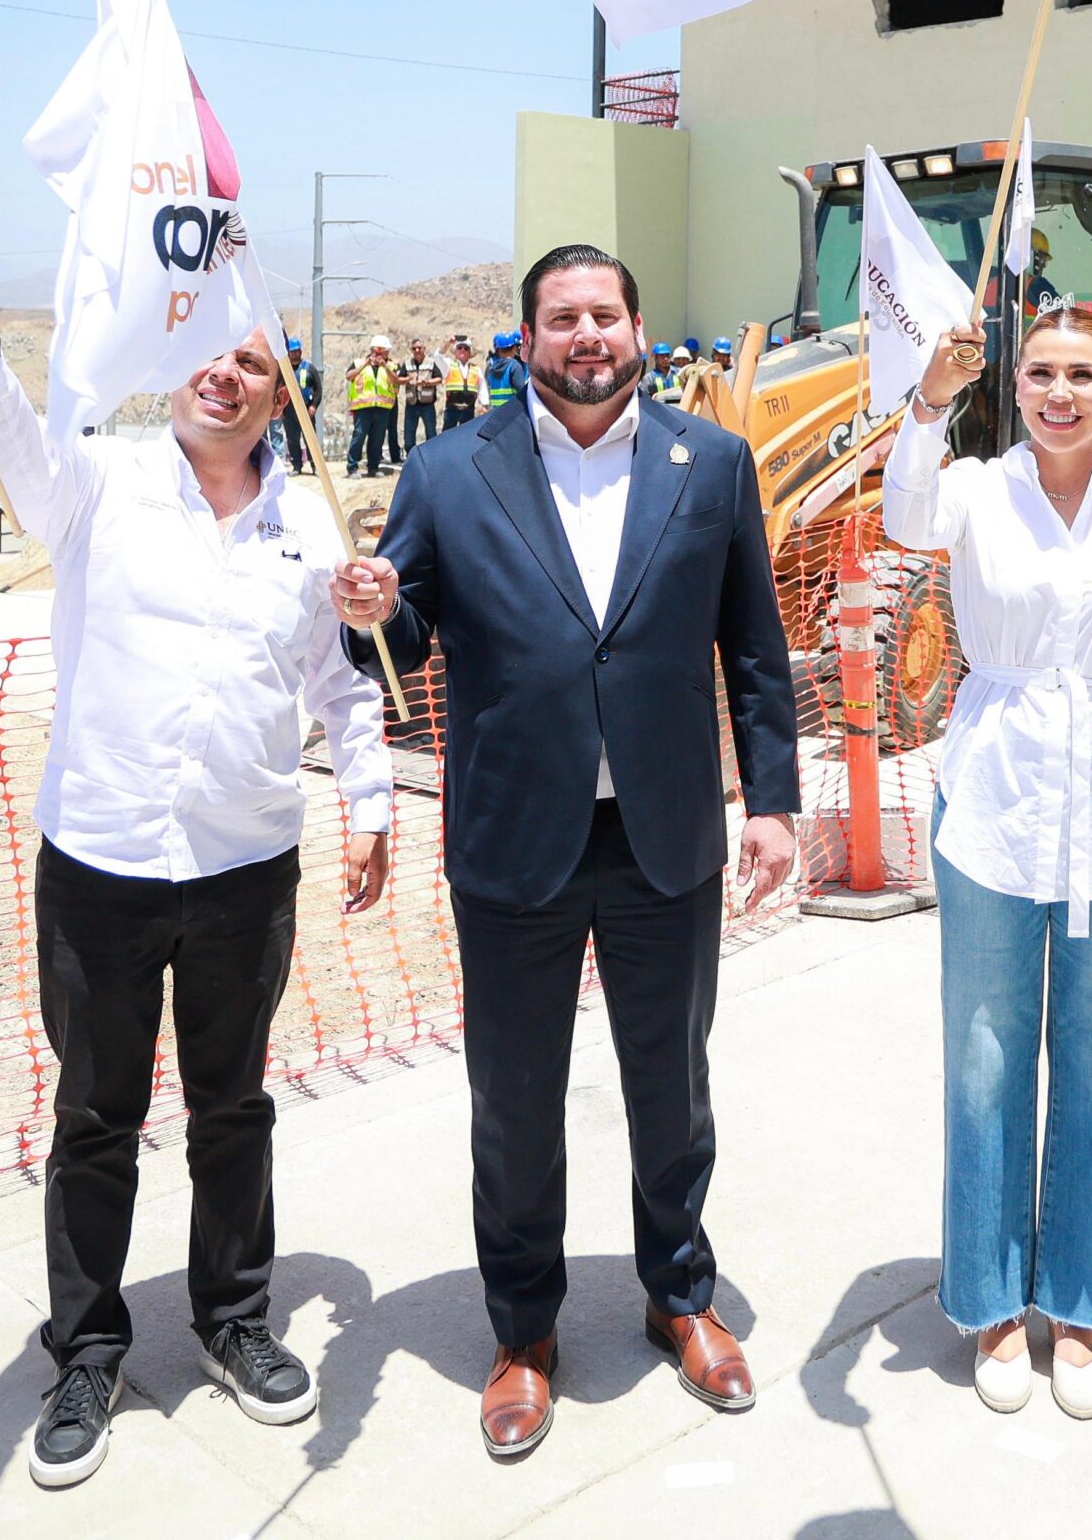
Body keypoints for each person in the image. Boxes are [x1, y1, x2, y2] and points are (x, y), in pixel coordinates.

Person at [0, 274, 392, 1491]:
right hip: (102, 864)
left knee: (233, 1107)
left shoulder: (310, 525)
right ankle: (89, 1349)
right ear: (178, 368)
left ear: (284, 393)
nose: (226, 374)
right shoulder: (100, 480)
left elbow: (341, 681)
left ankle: (233, 1318)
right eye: (208, 356)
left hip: (242, 865)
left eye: (254, 363)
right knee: (97, 1115)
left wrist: (372, 800)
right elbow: (15, 450)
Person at [331, 243, 799, 1459]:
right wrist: (378, 612)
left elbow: (753, 645)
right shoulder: (448, 467)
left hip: (664, 838)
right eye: (561, 318)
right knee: (516, 1100)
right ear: (525, 340)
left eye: (603, 313)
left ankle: (679, 1297)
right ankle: (524, 1331)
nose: (585, 334)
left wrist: (772, 798)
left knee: (671, 1086)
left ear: (637, 328)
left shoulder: (715, 465)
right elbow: (412, 630)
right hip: (514, 840)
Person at [883, 306, 1092, 1423]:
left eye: (1082, 373)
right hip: (993, 801)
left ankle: (1081, 1301)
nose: (1060, 392)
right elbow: (903, 511)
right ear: (1013, 383)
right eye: (1040, 373)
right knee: (984, 1055)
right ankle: (985, 1297)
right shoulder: (975, 487)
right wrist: (929, 399)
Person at [345, 337, 398, 478]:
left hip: (382, 407)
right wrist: (365, 365)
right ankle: (352, 467)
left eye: (385, 352)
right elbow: (349, 376)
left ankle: (373, 467)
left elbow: (396, 381)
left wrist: (384, 366)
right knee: (359, 436)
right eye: (379, 351)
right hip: (363, 407)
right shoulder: (358, 363)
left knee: (377, 439)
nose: (382, 354)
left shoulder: (391, 366)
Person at [278, 339, 324, 474]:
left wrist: (314, 406)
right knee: (292, 439)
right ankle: (297, 466)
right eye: (292, 352)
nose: (295, 354)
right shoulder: (284, 371)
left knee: (310, 439)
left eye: (297, 351)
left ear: (301, 352)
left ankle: (316, 466)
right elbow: (278, 390)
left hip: (306, 410)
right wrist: (280, 408)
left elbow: (318, 389)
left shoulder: (309, 368)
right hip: (289, 411)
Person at [399, 339, 445, 450]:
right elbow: (399, 379)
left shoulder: (431, 363)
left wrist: (426, 382)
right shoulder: (407, 364)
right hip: (411, 404)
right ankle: (411, 458)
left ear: (424, 349)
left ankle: (431, 459)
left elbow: (439, 379)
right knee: (409, 436)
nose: (417, 350)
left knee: (431, 434)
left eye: (419, 348)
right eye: (414, 348)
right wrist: (408, 379)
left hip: (427, 404)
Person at [482, 329, 529, 411]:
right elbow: (522, 392)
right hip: (511, 412)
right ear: (514, 348)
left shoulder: (491, 367)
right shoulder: (514, 366)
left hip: (495, 412)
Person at [440, 339, 482, 429]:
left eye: (466, 348)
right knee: (447, 437)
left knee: (467, 437)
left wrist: (483, 404)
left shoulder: (476, 369)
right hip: (452, 409)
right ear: (455, 351)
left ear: (469, 353)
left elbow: (482, 387)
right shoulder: (448, 365)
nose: (463, 350)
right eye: (459, 348)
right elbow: (438, 356)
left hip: (469, 409)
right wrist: (448, 342)